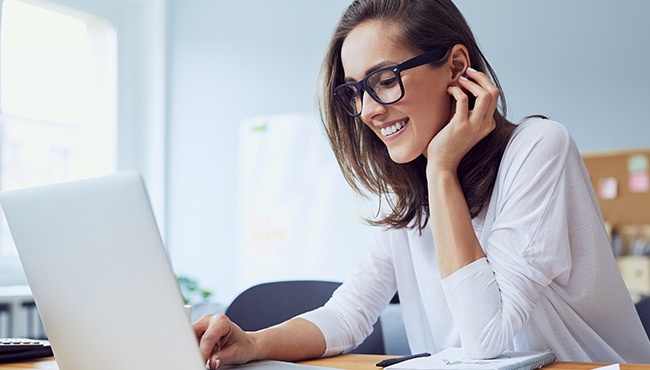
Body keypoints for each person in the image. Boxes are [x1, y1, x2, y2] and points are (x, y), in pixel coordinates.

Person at [192, 0, 650, 368]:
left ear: (456, 67)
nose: (368, 109)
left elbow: (486, 338)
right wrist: (252, 343)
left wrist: (441, 170)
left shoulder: (539, 148)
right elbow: (348, 315)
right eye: (354, 90)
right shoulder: (406, 191)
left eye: (384, 80)